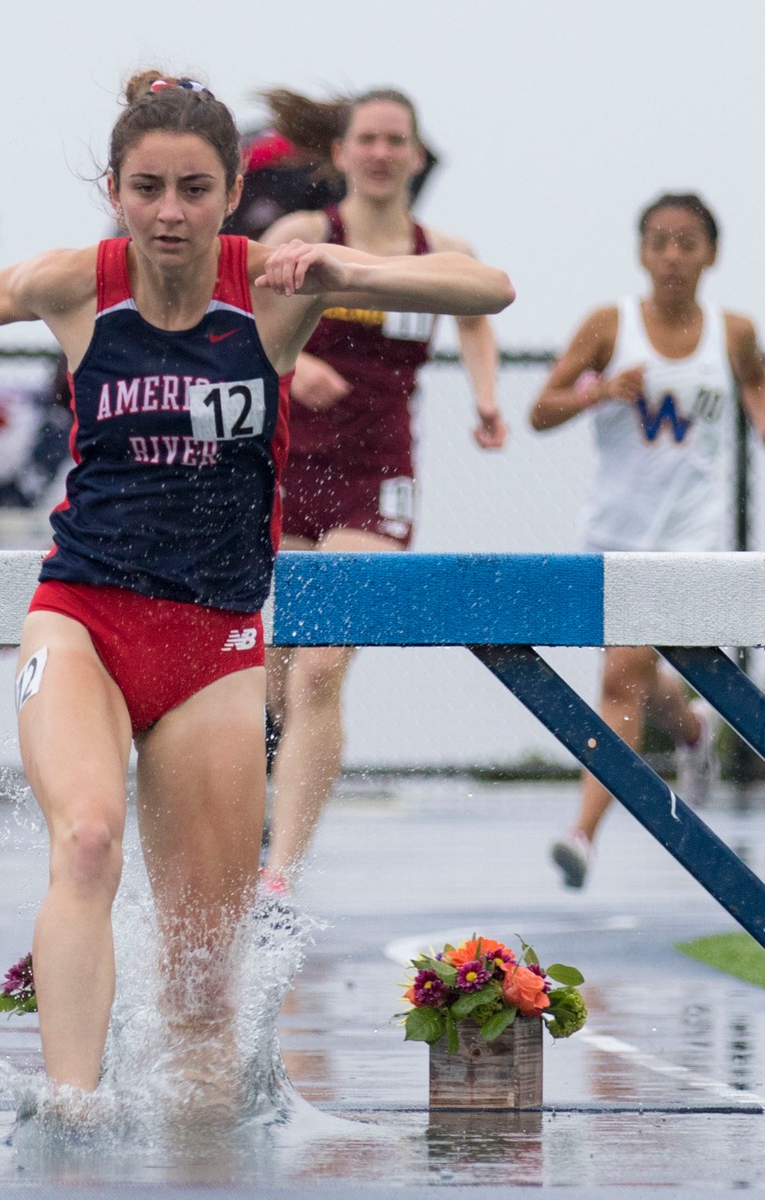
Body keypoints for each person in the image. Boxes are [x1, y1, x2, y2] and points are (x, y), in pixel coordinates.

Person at [0, 71, 514, 1102]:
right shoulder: (79, 284)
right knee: (90, 839)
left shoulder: (277, 286)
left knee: (202, 977)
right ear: (114, 191)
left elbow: (489, 289)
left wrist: (342, 265)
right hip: (84, 621)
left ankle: (202, 1134)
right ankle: (71, 1115)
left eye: (194, 189)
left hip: (215, 646)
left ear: (233, 192)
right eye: (147, 188)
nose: (170, 213)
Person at [255, 88, 505, 892]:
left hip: (376, 479)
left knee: (322, 665)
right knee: (269, 674)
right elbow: (236, 317)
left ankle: (282, 874)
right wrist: (294, 363)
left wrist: (487, 398)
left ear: (417, 156)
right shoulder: (300, 236)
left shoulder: (441, 253)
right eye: (367, 138)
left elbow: (476, 318)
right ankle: (251, 815)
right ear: (341, 153)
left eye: (397, 140)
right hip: (287, 470)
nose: (381, 153)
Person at [528, 192, 765, 889]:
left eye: (687, 242)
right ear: (642, 252)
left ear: (711, 254)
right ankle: (693, 732)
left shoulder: (733, 332)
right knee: (637, 676)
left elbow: (756, 381)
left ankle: (582, 835)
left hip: (688, 534)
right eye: (659, 242)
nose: (672, 256)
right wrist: (598, 392)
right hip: (613, 531)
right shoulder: (608, 325)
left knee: (621, 671)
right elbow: (540, 410)